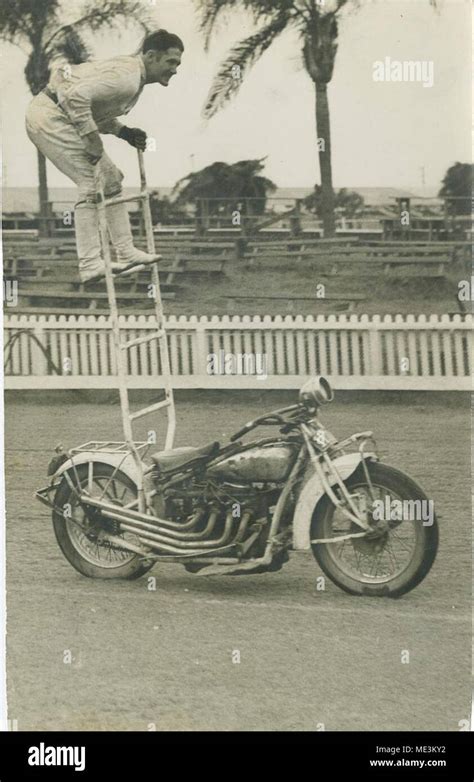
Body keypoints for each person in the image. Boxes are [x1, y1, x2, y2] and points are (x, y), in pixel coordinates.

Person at [25, 29, 184, 282]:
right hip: (50, 116)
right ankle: (89, 264)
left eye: (177, 63)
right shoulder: (128, 79)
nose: (175, 69)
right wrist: (91, 139)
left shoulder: (132, 76)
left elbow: (92, 107)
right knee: (91, 182)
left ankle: (126, 251)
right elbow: (74, 97)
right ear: (152, 56)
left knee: (111, 180)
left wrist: (123, 132)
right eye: (171, 62)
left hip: (57, 114)